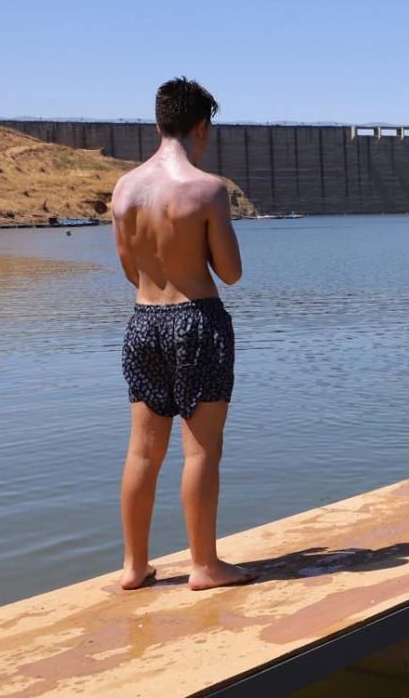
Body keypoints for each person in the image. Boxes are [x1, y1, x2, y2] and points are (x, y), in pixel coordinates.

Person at [111, 77, 255, 591]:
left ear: (157, 124)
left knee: (142, 452)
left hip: (143, 320)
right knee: (201, 451)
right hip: (197, 320)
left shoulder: (124, 190)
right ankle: (204, 565)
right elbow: (231, 273)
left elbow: (131, 270)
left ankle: (133, 566)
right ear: (201, 127)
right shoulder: (207, 189)